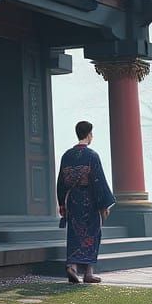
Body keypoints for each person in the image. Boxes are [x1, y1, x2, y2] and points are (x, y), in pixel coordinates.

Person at [57, 120, 115, 285]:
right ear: (89, 134)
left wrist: (62, 203)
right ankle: (88, 272)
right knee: (93, 233)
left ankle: (72, 266)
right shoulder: (92, 156)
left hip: (73, 201)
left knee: (74, 233)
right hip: (89, 202)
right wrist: (104, 205)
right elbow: (98, 181)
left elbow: (61, 182)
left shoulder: (66, 156)